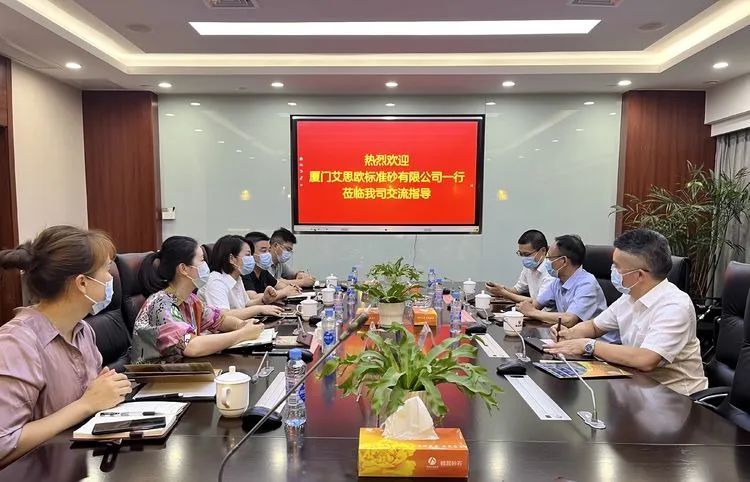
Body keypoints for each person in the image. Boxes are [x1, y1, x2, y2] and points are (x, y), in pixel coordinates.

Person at [0, 226, 132, 466]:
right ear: (82, 283)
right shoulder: (16, 342)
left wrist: (107, 390)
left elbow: (92, 400)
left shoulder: (83, 331)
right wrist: (86, 404)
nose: (110, 278)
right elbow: (4, 442)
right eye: (106, 269)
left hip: (80, 463)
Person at [546, 229, 707, 396]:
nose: (612, 270)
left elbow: (645, 359)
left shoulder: (674, 306)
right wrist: (570, 334)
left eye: (617, 266)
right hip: (636, 387)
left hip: (675, 397)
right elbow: (594, 326)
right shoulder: (629, 297)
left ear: (639, 275)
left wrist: (588, 345)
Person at [131, 236, 263, 363]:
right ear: (183, 269)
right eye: (201, 260)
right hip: (155, 376)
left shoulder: (190, 300)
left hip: (180, 369)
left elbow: (218, 320)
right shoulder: (160, 305)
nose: (206, 265)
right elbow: (191, 346)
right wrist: (242, 334)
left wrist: (240, 325)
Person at [517, 234, 607, 328]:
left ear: (563, 260)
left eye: (549, 258)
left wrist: (533, 312)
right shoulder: (557, 281)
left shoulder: (587, 284)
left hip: (595, 337)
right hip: (570, 334)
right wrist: (523, 309)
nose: (546, 261)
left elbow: (569, 320)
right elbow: (536, 304)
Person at [199, 235, 285, 317]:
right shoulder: (216, 282)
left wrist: (264, 300)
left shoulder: (237, 278)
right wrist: (259, 309)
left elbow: (246, 304)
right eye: (248, 255)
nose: (252, 259)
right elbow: (223, 316)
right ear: (231, 259)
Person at [486, 229, 554, 303]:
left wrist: (505, 293)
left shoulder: (551, 271)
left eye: (527, 254)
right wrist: (501, 289)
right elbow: (517, 290)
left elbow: (538, 302)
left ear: (543, 250)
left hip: (545, 309)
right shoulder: (529, 266)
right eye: (521, 254)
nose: (524, 258)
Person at [242, 231, 301, 297]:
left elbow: (280, 285)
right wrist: (284, 292)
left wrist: (292, 288)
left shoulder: (263, 271)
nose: (268, 254)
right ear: (250, 253)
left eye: (269, 250)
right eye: (264, 251)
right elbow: (253, 297)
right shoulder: (245, 272)